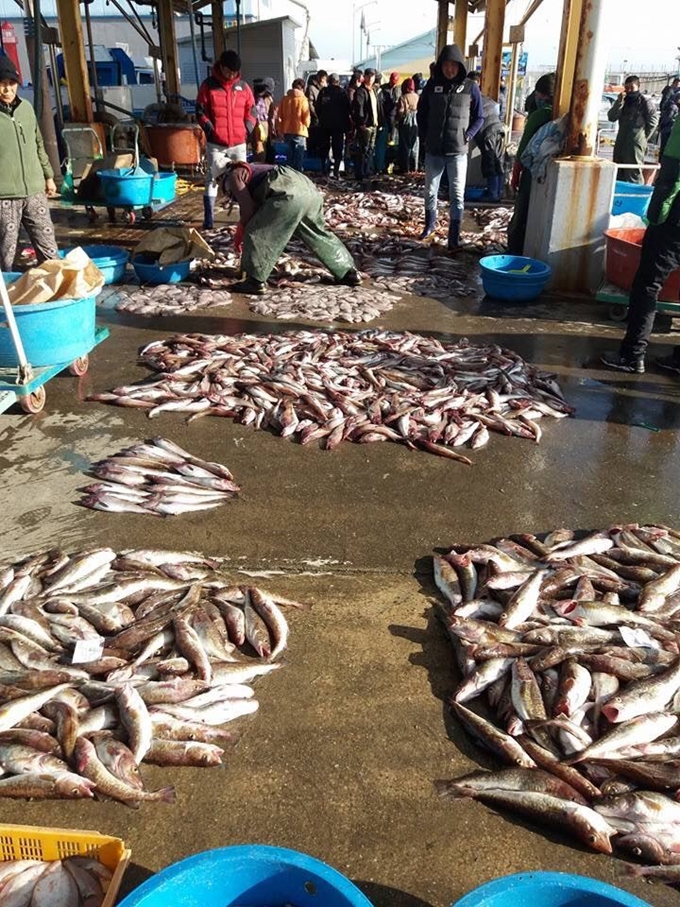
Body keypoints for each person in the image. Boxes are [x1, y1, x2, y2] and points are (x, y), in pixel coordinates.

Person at [600, 115, 680, 374]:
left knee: (648, 284)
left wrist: (658, 213)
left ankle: (632, 355)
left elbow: (672, 176)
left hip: (673, 222)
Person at [224, 161, 361, 296]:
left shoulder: (234, 174)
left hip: (287, 193)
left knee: (258, 232)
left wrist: (242, 232)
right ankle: (348, 272)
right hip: (310, 191)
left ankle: (255, 281)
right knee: (316, 233)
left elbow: (248, 211)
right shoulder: (255, 168)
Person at [416, 44, 484, 251]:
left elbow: (479, 117)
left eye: (453, 65)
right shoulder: (432, 85)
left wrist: (468, 135)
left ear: (460, 66)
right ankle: (429, 226)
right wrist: (424, 137)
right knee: (430, 191)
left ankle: (454, 236)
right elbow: (421, 114)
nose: (449, 69)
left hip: (458, 151)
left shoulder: (471, 87)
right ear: (440, 66)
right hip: (434, 150)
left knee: (457, 194)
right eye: (446, 65)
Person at [0, 56, 59, 272]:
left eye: (11, 84)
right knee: (6, 252)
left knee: (48, 246)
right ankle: (5, 298)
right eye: (2, 84)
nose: (7, 90)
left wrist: (48, 176)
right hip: (4, 197)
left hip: (34, 191)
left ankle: (56, 290)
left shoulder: (25, 108)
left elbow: (38, 142)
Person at [196, 49, 256, 230]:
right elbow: (200, 111)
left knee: (242, 180)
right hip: (217, 143)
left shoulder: (244, 87)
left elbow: (251, 111)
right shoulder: (208, 85)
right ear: (221, 67)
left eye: (235, 72)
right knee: (212, 178)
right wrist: (210, 129)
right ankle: (209, 219)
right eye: (229, 71)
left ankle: (243, 217)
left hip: (238, 143)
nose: (231, 75)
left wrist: (247, 129)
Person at [506, 71, 555, 255]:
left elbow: (523, 149)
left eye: (541, 94)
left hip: (530, 171)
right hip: (549, 174)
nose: (539, 98)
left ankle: (514, 253)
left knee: (522, 212)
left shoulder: (538, 116)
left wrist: (515, 175)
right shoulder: (562, 114)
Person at [608, 76, 658, 184]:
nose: (629, 90)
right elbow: (611, 117)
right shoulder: (623, 101)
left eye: (632, 87)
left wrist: (642, 138)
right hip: (621, 141)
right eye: (627, 87)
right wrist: (619, 102)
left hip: (635, 144)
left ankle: (636, 196)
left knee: (634, 173)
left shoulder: (645, 102)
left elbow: (653, 123)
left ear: (638, 87)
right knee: (618, 172)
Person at [468, 72, 505, 202]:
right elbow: (499, 110)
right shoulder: (487, 98)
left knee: (489, 162)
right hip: (498, 129)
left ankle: (492, 194)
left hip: (487, 131)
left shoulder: (471, 99)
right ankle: (500, 192)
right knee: (498, 161)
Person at [317, 73, 351, 177]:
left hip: (325, 124)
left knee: (324, 146)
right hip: (338, 126)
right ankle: (336, 170)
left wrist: (321, 118)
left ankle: (324, 168)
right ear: (338, 81)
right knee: (338, 147)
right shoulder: (342, 92)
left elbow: (317, 107)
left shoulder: (323, 92)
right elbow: (348, 109)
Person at [351, 68, 379, 184]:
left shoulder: (373, 90)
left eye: (373, 76)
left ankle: (367, 171)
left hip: (374, 125)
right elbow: (358, 107)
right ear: (365, 77)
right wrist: (361, 123)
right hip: (365, 126)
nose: (371, 78)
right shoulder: (361, 91)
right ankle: (360, 173)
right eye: (369, 76)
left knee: (370, 150)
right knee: (363, 150)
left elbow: (377, 107)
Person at [276, 78, 311, 172]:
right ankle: (298, 176)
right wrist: (307, 125)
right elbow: (306, 118)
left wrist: (280, 129)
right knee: (298, 157)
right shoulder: (303, 99)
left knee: (289, 157)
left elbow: (279, 115)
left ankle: (289, 175)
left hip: (287, 130)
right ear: (303, 88)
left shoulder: (285, 99)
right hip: (300, 131)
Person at [395, 78, 419, 174]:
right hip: (416, 121)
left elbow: (401, 111)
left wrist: (397, 119)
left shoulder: (403, 97)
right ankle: (414, 167)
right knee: (415, 145)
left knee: (405, 145)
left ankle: (405, 167)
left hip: (406, 122)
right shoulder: (417, 96)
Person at [375, 73, 398, 174]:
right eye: (393, 81)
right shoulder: (383, 90)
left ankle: (387, 164)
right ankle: (380, 165)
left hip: (393, 120)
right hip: (384, 120)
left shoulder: (397, 89)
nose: (394, 83)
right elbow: (381, 106)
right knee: (381, 144)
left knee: (390, 144)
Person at [251, 78, 276, 163]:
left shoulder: (256, 98)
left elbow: (271, 116)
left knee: (261, 150)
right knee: (260, 151)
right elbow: (271, 116)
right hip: (259, 126)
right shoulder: (260, 99)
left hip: (261, 126)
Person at [306, 69, 328, 158]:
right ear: (318, 77)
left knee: (321, 141)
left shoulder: (324, 88)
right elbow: (310, 103)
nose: (323, 81)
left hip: (323, 119)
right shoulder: (311, 88)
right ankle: (311, 158)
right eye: (322, 78)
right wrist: (316, 115)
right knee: (312, 139)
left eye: (324, 79)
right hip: (314, 119)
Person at [659, 80, 680, 154]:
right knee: (664, 147)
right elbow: (668, 118)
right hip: (667, 130)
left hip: (667, 129)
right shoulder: (673, 107)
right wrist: (662, 126)